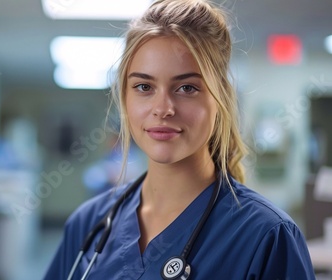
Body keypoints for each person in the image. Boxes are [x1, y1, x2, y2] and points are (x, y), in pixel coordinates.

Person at [43, 0, 315, 279]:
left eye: (187, 87)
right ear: (125, 98)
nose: (163, 108)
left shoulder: (266, 237)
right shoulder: (89, 224)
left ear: (219, 98)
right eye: (144, 87)